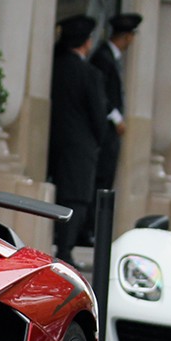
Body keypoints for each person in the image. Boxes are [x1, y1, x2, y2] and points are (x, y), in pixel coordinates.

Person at [48, 14, 110, 266]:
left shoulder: (55, 67)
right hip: (80, 145)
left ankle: (63, 245)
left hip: (56, 140)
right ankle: (65, 248)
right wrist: (98, 140)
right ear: (86, 42)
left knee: (63, 192)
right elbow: (99, 117)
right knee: (77, 198)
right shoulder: (89, 74)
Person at [84, 12, 142, 244]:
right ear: (128, 37)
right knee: (100, 180)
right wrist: (116, 118)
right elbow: (101, 95)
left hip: (108, 132)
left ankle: (94, 229)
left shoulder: (110, 57)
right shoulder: (102, 57)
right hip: (104, 131)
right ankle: (88, 229)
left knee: (106, 179)